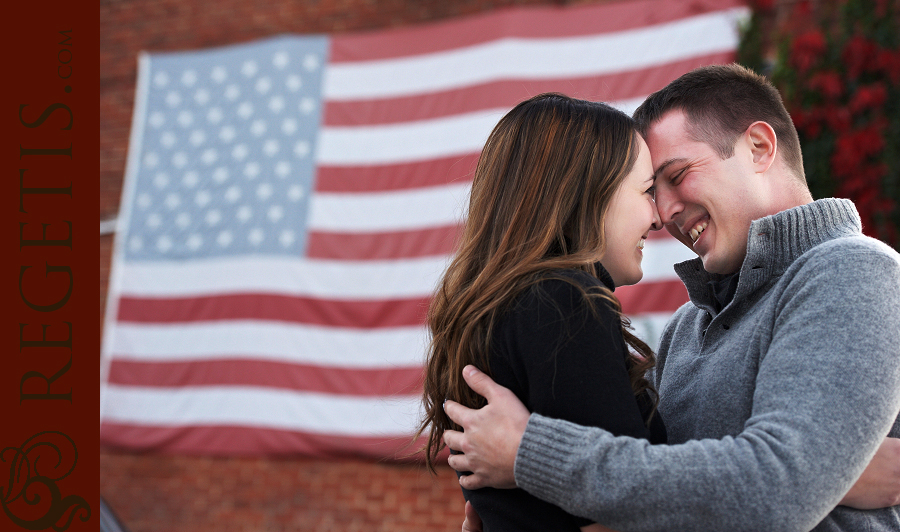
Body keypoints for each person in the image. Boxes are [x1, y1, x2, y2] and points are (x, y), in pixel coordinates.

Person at [442, 63, 900, 531]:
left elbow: (774, 498)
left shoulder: (854, 272)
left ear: (759, 147)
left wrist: (531, 454)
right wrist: (835, 476)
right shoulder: (687, 329)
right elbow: (662, 473)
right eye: (651, 190)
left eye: (677, 175)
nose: (663, 213)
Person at [414, 93, 666, 531]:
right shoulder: (564, 301)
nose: (659, 216)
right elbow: (626, 511)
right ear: (587, 193)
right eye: (647, 191)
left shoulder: (493, 308)